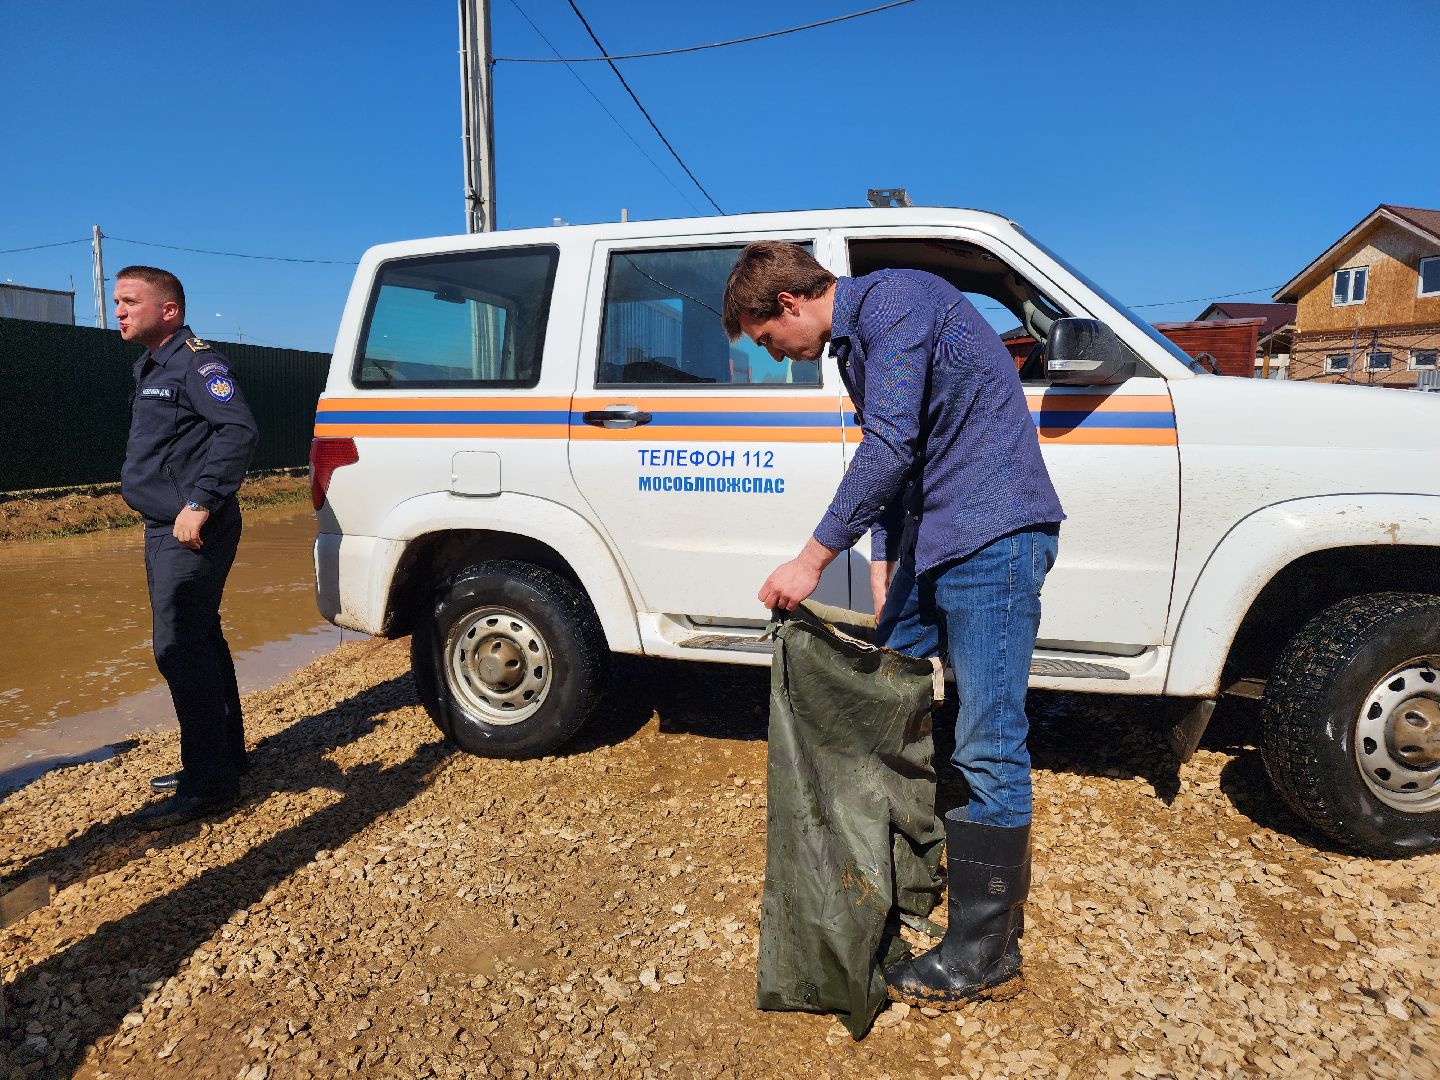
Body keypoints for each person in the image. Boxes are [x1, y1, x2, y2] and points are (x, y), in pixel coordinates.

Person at [722, 241, 1064, 1008]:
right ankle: (905, 876)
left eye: (771, 342)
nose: (778, 357)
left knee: (987, 735)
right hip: (933, 539)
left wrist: (811, 560)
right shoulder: (853, 348)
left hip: (995, 533)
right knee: (894, 702)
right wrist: (884, 559)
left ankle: (986, 952)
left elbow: (887, 445)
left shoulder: (899, 302)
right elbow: (901, 460)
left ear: (786, 304)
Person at [114, 266, 258, 829]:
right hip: (165, 523)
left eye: (129, 302)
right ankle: (223, 761)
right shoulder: (156, 362)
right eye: (117, 302)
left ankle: (208, 785)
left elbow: (238, 430)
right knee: (201, 636)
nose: (119, 312)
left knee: (177, 646)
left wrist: (200, 501)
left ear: (168, 310)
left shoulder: (198, 363)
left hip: (189, 526)